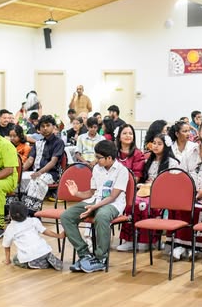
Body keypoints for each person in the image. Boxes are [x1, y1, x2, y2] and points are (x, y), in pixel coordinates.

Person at [62, 140, 129, 273]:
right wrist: (77, 193)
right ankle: (85, 254)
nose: (96, 160)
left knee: (102, 216)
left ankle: (100, 258)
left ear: (109, 158)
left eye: (99, 157)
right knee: (66, 216)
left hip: (113, 204)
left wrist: (94, 208)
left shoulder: (122, 171)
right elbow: (91, 193)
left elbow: (112, 197)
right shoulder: (97, 169)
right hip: (94, 201)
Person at [117, 122, 176, 252]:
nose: (155, 146)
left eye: (159, 144)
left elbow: (170, 184)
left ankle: (148, 240)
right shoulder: (149, 160)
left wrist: (152, 185)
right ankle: (130, 239)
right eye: (154, 143)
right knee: (131, 203)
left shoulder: (172, 162)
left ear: (166, 146)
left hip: (161, 194)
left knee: (143, 205)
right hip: (145, 190)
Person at [20, 115, 65, 212]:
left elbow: (53, 162)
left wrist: (39, 173)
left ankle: (31, 212)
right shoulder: (38, 143)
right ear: (39, 129)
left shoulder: (58, 142)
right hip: (36, 172)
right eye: (42, 126)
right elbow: (30, 160)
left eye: (48, 125)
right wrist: (19, 171)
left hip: (52, 174)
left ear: (53, 127)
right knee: (18, 178)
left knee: (37, 180)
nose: (45, 128)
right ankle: (17, 211)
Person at [2, 201, 65, 270]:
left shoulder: (10, 228)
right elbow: (45, 231)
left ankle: (35, 263)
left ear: (10, 214)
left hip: (30, 254)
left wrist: (7, 260)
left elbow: (6, 246)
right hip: (45, 250)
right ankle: (47, 257)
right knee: (41, 252)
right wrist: (58, 235)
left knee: (15, 259)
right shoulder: (34, 221)